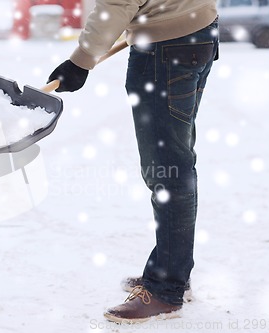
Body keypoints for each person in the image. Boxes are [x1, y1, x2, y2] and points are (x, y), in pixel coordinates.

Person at [47, 0, 219, 324]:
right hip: (197, 32)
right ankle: (174, 273)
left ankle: (166, 287)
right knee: (176, 161)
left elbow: (118, 2)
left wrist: (80, 61)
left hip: (166, 50)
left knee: (168, 169)